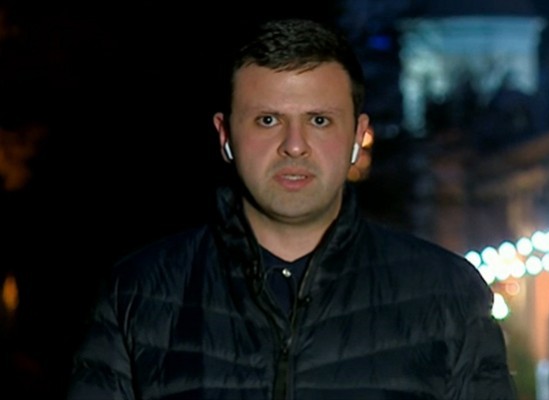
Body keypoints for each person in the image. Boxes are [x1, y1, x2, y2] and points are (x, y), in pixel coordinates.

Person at [67, 18, 518, 399]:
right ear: (225, 136)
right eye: (268, 120)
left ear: (358, 136)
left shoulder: (447, 296)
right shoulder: (137, 294)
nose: (295, 145)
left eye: (319, 120)